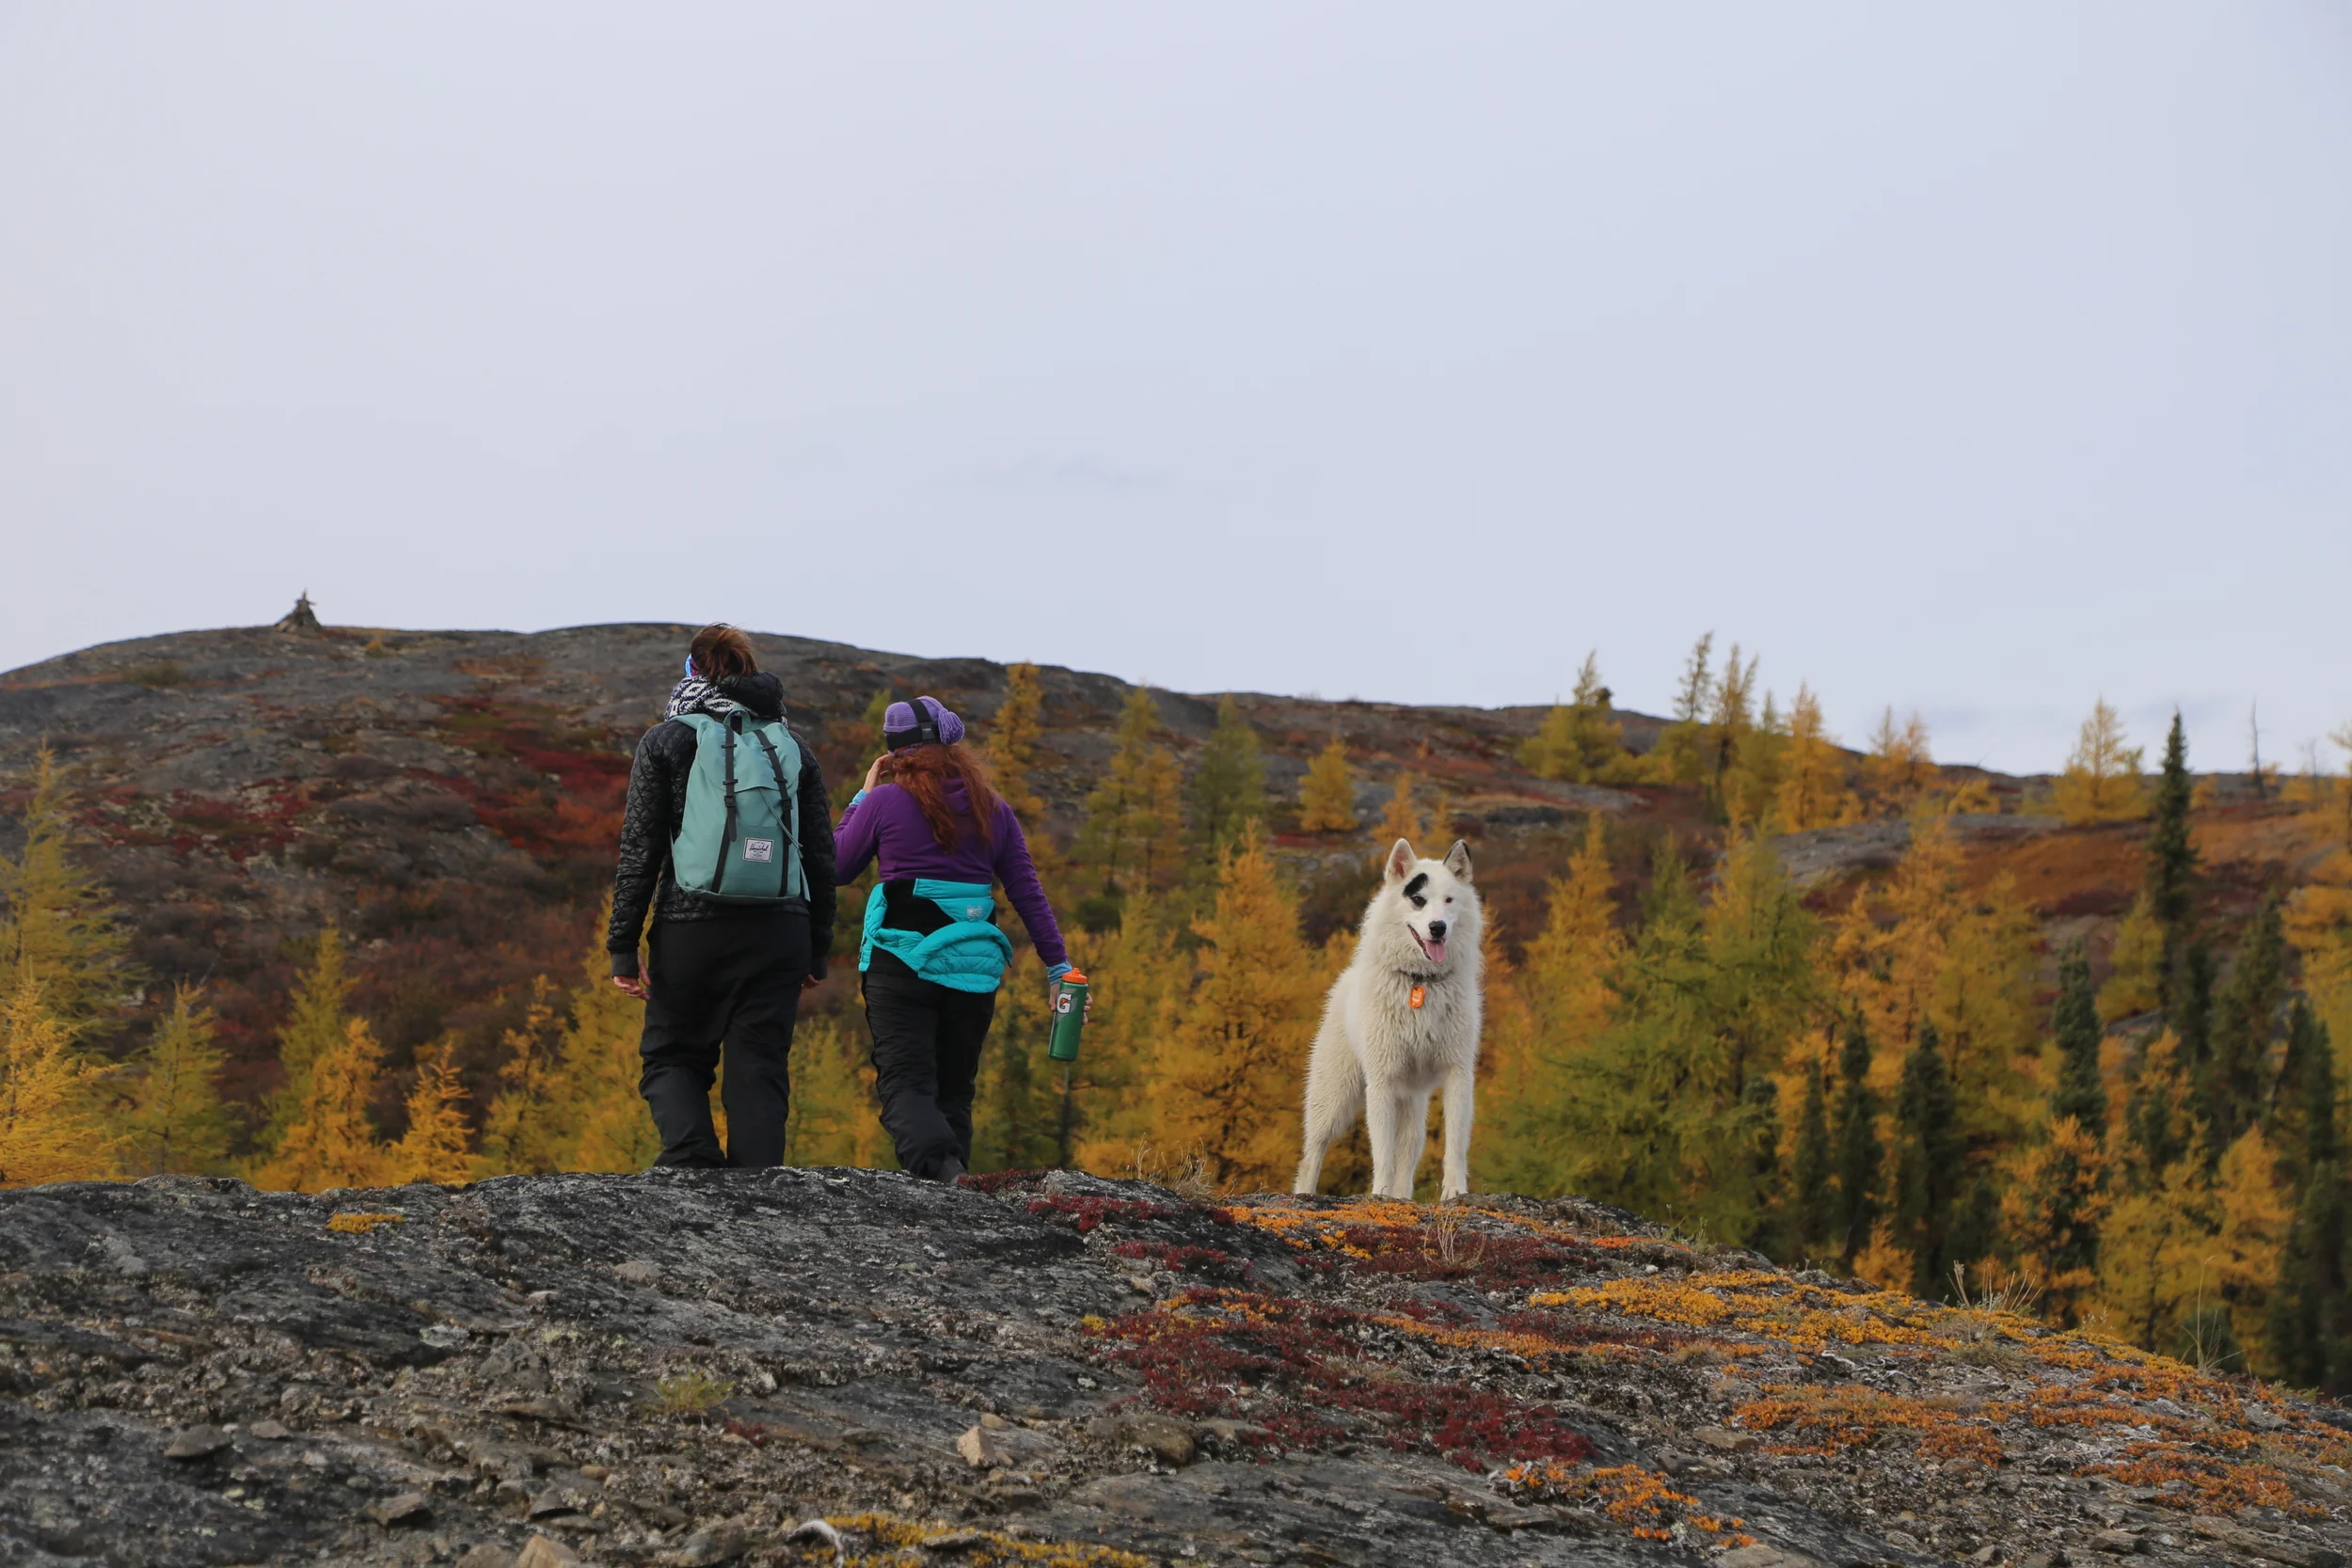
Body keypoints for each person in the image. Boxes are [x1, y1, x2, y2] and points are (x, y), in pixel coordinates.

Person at [608, 625, 837, 1167]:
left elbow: (640, 848)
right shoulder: (791, 746)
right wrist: (817, 947)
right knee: (759, 1066)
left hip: (692, 926)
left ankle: (692, 1162)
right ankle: (757, 1197)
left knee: (672, 1056)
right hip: (781, 927)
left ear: (691, 670)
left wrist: (623, 945)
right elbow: (820, 855)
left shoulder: (666, 740)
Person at [834, 696, 1068, 1182]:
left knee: (906, 1086)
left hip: (902, 960)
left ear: (894, 753)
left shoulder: (883, 801)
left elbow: (836, 866)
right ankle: (956, 1186)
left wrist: (860, 798)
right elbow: (1027, 892)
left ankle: (943, 1173)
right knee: (955, 1091)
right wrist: (1058, 968)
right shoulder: (993, 808)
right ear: (949, 744)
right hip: (973, 968)